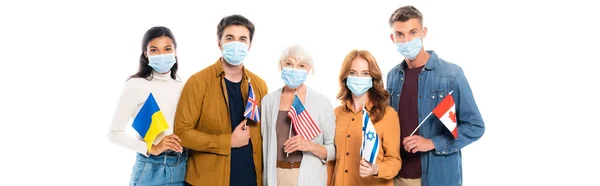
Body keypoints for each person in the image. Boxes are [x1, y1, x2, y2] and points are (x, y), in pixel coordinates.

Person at [385, 5, 485, 186]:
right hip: (397, 176)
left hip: (437, 177)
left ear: (423, 32)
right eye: (400, 34)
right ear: (393, 38)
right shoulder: (393, 76)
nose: (406, 40)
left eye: (413, 32)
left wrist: (432, 142)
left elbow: (475, 126)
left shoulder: (451, 74)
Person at [174, 14, 268, 186]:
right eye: (230, 38)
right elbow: (182, 133)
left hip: (251, 180)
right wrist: (228, 141)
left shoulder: (259, 85)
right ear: (219, 43)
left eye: (242, 39)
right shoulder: (198, 82)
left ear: (249, 46)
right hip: (208, 180)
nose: (236, 44)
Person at [108, 26, 187, 186]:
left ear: (175, 52)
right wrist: (152, 148)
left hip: (183, 166)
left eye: (167, 49)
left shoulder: (182, 86)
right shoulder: (136, 85)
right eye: (154, 50)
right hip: (151, 169)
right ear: (146, 54)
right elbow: (114, 133)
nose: (161, 55)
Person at [261, 44, 336, 186]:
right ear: (281, 65)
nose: (294, 70)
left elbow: (333, 150)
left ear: (308, 69)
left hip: (308, 177)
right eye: (289, 63)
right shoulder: (268, 102)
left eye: (301, 65)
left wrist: (310, 146)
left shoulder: (322, 102)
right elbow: (263, 145)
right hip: (275, 176)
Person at [330, 50, 401, 186]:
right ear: (345, 77)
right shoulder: (336, 114)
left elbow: (395, 161)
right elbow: (331, 162)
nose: (358, 78)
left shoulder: (387, 114)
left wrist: (376, 169)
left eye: (365, 73)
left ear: (373, 78)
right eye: (352, 73)